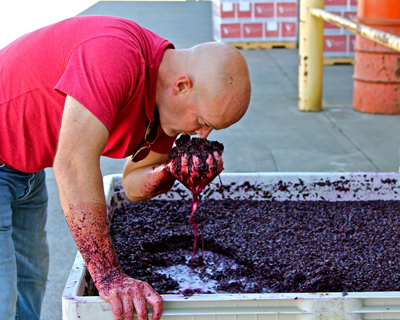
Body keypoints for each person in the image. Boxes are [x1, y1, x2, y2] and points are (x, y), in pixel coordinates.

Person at [0, 15, 251, 320]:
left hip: (22, 167)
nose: (201, 136)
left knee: (30, 281)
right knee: (3, 293)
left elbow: (132, 185)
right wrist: (108, 275)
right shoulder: (115, 56)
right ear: (182, 85)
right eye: (202, 122)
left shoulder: (163, 102)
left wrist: (169, 170)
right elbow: (72, 162)